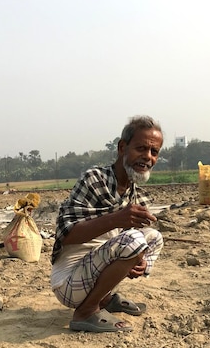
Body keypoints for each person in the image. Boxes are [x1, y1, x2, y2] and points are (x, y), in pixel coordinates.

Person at [50, 115, 165, 332]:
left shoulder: (135, 195)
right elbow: (65, 235)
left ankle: (105, 299)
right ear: (122, 147)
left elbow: (132, 247)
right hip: (69, 282)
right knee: (134, 239)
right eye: (141, 148)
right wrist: (116, 218)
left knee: (153, 238)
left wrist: (137, 262)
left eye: (154, 152)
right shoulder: (94, 180)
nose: (147, 157)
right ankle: (86, 311)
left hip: (94, 271)